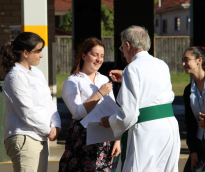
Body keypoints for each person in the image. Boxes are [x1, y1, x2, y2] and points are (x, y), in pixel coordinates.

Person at [100, 25, 180, 172]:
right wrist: (125, 76)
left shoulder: (132, 68)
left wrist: (110, 121)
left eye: (122, 47)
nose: (123, 53)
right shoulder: (161, 64)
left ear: (128, 45)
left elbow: (128, 114)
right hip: (170, 128)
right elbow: (151, 88)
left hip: (148, 130)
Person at [1, 32, 61, 172]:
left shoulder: (37, 73)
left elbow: (49, 102)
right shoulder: (15, 76)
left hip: (39, 136)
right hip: (24, 136)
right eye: (38, 51)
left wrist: (56, 125)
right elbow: (27, 112)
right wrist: (48, 130)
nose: (41, 55)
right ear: (25, 53)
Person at [59, 37, 121, 172]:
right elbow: (77, 112)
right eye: (95, 55)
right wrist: (99, 94)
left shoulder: (104, 79)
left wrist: (117, 139)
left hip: (105, 136)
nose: (99, 60)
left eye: (102, 56)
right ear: (83, 56)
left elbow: (113, 110)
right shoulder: (73, 81)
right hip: (83, 138)